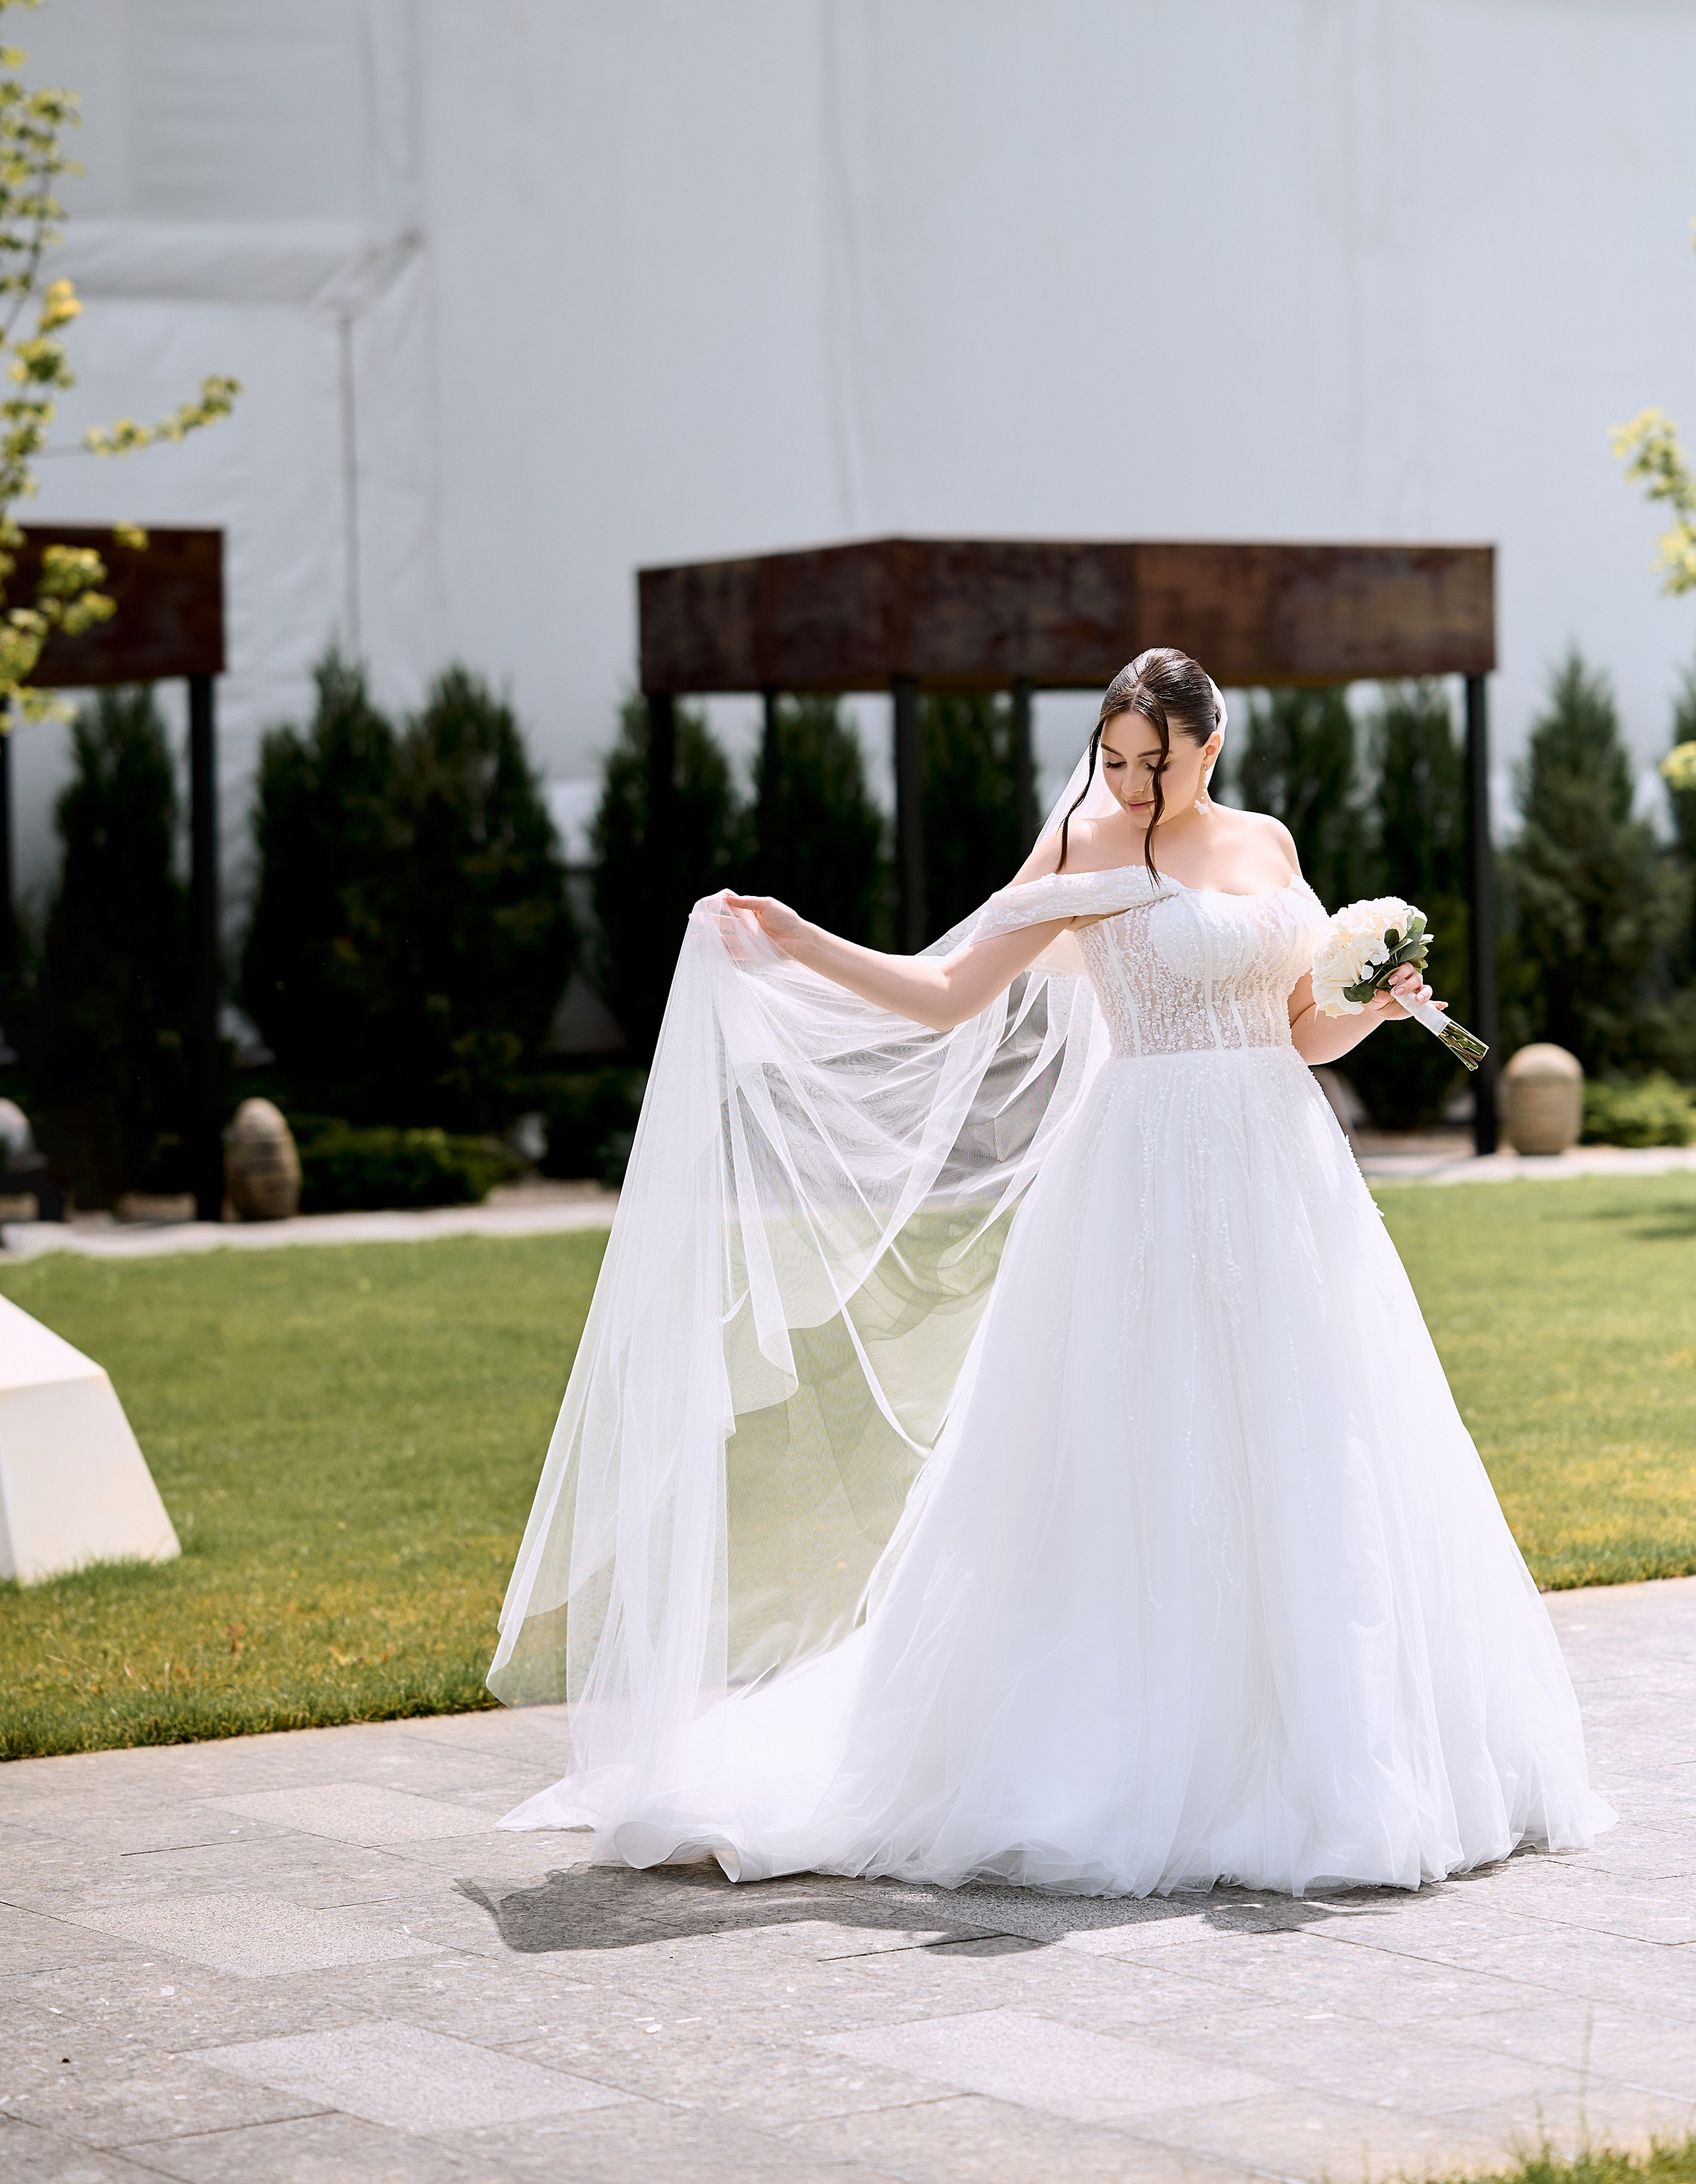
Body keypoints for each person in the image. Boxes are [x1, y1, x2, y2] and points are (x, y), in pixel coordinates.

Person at [493, 647, 1610, 1896]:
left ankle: (1328, 1745)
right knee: (1141, 1443)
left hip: (1283, 1175)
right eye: (1113, 760)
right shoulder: (1082, 852)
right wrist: (800, 939)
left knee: (1314, 1435)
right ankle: (1132, 1746)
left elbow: (1297, 1032)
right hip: (1145, 1174)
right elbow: (944, 993)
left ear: (1212, 747)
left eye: (1156, 763)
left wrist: (1376, 1007)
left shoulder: (1269, 845)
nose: (1130, 785)